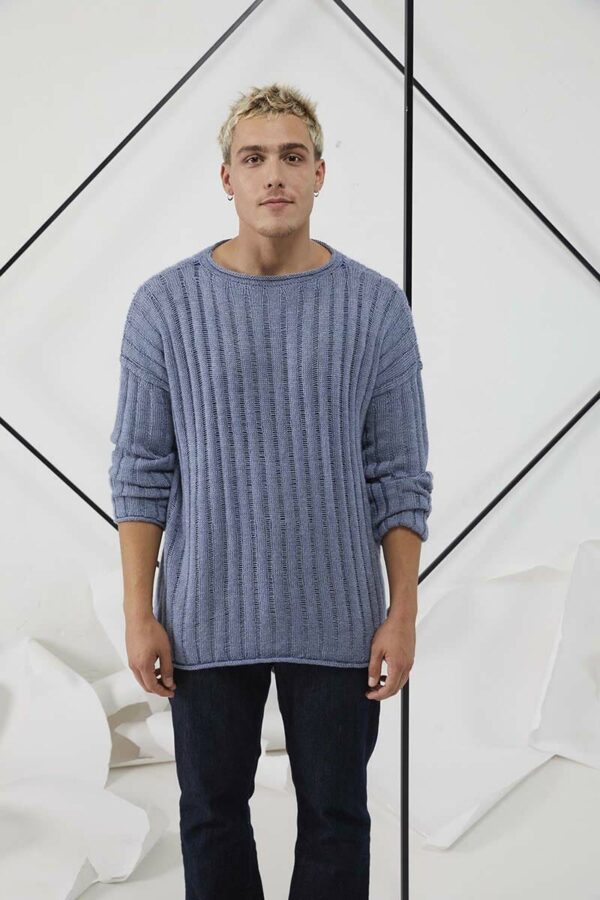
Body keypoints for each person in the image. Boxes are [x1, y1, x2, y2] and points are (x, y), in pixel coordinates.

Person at [108, 82, 433, 900]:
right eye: (254, 158)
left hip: (339, 618)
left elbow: (399, 475)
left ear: (321, 172)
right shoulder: (165, 307)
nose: (274, 174)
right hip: (204, 614)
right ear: (227, 178)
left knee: (337, 820)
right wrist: (139, 612)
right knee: (211, 817)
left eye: (293, 156)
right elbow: (141, 471)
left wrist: (402, 613)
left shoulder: (375, 309)